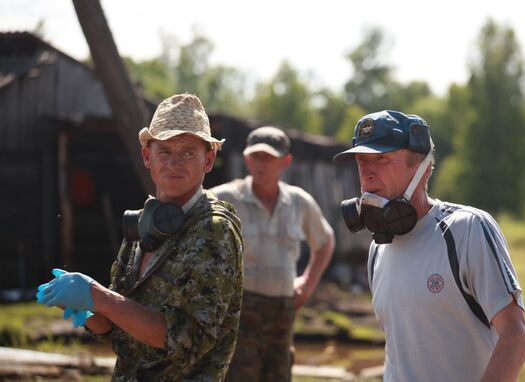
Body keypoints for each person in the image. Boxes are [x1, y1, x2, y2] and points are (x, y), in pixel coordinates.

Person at [36, 93, 244, 381]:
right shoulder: (143, 224)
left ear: (208, 159)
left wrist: (100, 297)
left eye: (187, 152)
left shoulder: (213, 229)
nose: (174, 162)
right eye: (164, 151)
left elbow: (186, 340)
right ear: (147, 156)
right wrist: (88, 310)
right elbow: (121, 334)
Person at [333, 110, 525, 382]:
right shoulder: (377, 249)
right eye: (361, 160)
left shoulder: (467, 229)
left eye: (381, 159)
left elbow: (516, 337)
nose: (367, 173)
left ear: (422, 167)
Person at [210, 126, 335, 382]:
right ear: (246, 159)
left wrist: (308, 283)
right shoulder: (223, 198)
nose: (261, 164)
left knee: (279, 375)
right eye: (255, 157)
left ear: (285, 162)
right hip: (240, 313)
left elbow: (325, 241)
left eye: (268, 158)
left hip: (282, 312)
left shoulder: (299, 202)